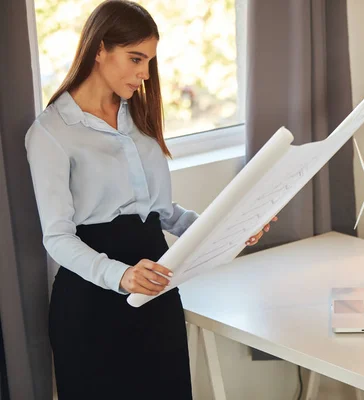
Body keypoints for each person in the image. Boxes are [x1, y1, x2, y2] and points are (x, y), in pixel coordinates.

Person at [25, 1, 271, 399]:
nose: (144, 73)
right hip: (92, 308)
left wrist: (231, 228)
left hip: (156, 297)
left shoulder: (137, 115)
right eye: (135, 58)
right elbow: (56, 237)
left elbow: (163, 214)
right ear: (100, 48)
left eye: (149, 61)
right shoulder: (51, 133)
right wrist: (120, 275)